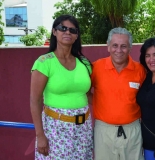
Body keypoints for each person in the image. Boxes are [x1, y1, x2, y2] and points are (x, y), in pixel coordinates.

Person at [30, 15, 93, 160]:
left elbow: (88, 94)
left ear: (76, 36)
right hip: (55, 130)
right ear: (54, 32)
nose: (67, 32)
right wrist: (40, 135)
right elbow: (35, 100)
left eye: (72, 30)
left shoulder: (84, 63)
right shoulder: (44, 63)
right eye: (62, 28)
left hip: (83, 130)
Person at [91, 27, 146, 160]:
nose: (119, 50)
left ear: (130, 48)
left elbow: (146, 98)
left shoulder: (140, 70)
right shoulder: (96, 68)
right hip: (103, 131)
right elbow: (85, 91)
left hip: (133, 131)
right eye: (115, 45)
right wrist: (101, 102)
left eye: (124, 46)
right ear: (108, 46)